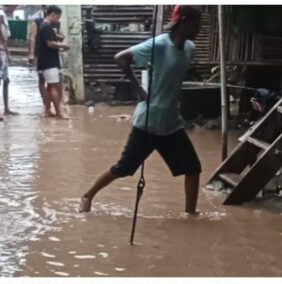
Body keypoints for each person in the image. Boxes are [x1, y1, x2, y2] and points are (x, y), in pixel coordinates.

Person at [78, 5, 203, 215]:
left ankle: (190, 214)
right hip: (148, 122)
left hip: (171, 123)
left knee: (193, 168)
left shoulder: (190, 49)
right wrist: (139, 90)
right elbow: (121, 57)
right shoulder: (159, 45)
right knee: (124, 168)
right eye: (196, 23)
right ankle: (87, 196)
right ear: (183, 21)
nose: (199, 27)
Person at [36, 6, 69, 118]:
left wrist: (59, 41)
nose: (58, 20)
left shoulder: (45, 26)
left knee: (50, 87)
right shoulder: (46, 26)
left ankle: (48, 110)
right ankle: (59, 112)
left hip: (45, 60)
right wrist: (63, 46)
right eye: (58, 17)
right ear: (53, 14)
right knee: (55, 86)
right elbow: (50, 43)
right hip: (49, 61)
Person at [0, 5, 18, 120]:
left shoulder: (4, 16)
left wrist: (8, 53)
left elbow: (4, 39)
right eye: (14, 6)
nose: (15, 8)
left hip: (2, 52)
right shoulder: (0, 15)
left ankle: (6, 109)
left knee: (6, 81)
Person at [27, 5, 51, 113]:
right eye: (46, 7)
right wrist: (31, 54)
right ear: (43, 8)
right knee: (42, 79)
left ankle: (50, 101)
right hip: (39, 54)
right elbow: (32, 37)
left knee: (53, 80)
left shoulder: (55, 21)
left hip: (52, 53)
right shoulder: (36, 21)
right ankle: (46, 103)